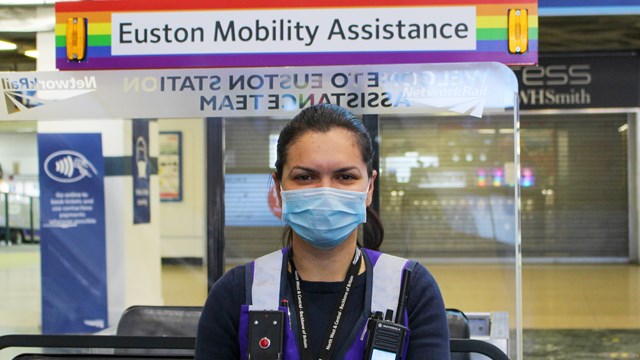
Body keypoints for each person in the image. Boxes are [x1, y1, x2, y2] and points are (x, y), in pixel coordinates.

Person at [196, 104, 450, 360]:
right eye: (305, 177)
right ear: (278, 187)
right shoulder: (238, 292)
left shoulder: (410, 289)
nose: (325, 192)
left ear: (370, 188)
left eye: (345, 177)